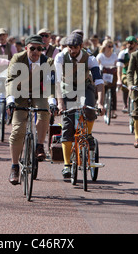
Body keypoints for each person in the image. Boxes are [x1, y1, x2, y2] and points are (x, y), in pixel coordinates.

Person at [6, 35, 55, 184]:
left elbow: (50, 85)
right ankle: (14, 166)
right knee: (18, 129)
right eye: (32, 48)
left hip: (39, 92)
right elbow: (11, 81)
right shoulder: (17, 59)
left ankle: (39, 145)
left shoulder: (48, 61)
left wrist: (52, 100)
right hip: (19, 93)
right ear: (26, 48)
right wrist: (11, 100)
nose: (35, 52)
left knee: (44, 111)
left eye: (39, 49)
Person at [54, 32, 105, 179]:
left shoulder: (90, 59)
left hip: (85, 86)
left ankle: (88, 135)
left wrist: (100, 103)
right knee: (67, 125)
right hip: (66, 88)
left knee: (90, 110)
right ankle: (67, 166)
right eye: (70, 47)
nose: (72, 50)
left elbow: (99, 82)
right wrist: (60, 103)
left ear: (81, 46)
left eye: (75, 47)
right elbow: (57, 82)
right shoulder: (60, 57)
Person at [96, 38, 118, 118]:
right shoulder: (100, 55)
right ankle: (99, 104)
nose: (111, 48)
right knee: (102, 89)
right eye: (109, 46)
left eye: (112, 46)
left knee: (113, 92)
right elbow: (97, 67)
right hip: (103, 74)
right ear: (105, 46)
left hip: (112, 74)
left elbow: (116, 65)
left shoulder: (114, 55)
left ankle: (113, 111)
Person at [117, 36, 138, 113]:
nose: (129, 45)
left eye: (131, 43)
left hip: (136, 74)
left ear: (136, 44)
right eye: (127, 43)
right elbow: (119, 68)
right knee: (127, 83)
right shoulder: (122, 54)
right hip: (125, 74)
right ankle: (126, 104)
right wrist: (119, 80)